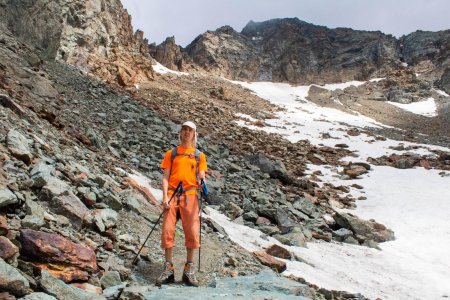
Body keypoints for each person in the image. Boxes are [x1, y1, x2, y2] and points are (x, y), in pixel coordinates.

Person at [156, 121, 207, 287]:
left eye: (189, 130)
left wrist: (201, 180)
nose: (186, 132)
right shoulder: (172, 153)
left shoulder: (199, 155)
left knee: (192, 230)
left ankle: (188, 268)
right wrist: (164, 197)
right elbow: (165, 176)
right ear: (180, 132)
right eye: (184, 129)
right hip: (171, 194)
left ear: (194, 134)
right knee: (167, 229)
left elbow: (201, 174)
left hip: (191, 194)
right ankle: (168, 268)